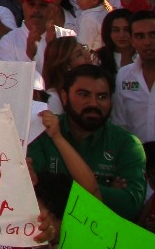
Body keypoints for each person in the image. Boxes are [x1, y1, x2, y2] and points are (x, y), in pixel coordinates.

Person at [28, 64, 147, 221]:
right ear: (64, 97)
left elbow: (130, 205)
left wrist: (61, 189)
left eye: (102, 97)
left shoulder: (127, 144)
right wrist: (100, 193)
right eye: (84, 95)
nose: (93, 103)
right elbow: (32, 196)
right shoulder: (42, 134)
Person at [111, 11, 155, 147]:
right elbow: (120, 123)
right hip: (136, 158)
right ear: (132, 41)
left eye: (153, 35)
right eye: (140, 36)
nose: (148, 42)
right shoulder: (124, 75)